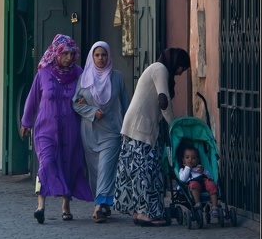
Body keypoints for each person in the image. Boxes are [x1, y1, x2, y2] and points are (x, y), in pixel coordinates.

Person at [20, 34, 93, 224]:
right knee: (47, 162)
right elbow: (32, 99)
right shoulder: (43, 73)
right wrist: (26, 122)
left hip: (70, 130)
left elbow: (88, 95)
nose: (68, 57)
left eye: (71, 53)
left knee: (67, 164)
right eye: (65, 53)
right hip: (45, 129)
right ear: (56, 53)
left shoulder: (78, 73)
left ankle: (66, 206)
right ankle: (40, 205)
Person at [114, 47, 191, 226]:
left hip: (136, 127)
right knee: (145, 173)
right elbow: (163, 101)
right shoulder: (160, 69)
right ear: (176, 63)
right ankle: (146, 214)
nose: (180, 73)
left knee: (136, 172)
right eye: (181, 68)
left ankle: (138, 211)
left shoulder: (156, 69)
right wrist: (174, 125)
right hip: (141, 128)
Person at [73, 41, 130, 223]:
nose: (100, 59)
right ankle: (105, 203)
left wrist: (128, 129)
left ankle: (98, 207)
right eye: (97, 55)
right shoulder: (84, 79)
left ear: (109, 56)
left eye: (104, 55)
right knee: (96, 171)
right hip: (90, 132)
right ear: (92, 56)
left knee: (106, 168)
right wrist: (91, 111)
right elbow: (76, 103)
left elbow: (126, 104)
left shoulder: (117, 78)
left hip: (112, 131)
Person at [179, 146, 219, 218]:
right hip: (194, 184)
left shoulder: (200, 167)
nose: (190, 160)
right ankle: (198, 203)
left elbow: (211, 177)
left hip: (204, 181)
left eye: (193, 158)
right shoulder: (183, 170)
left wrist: (204, 171)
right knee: (193, 185)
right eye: (187, 158)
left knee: (212, 185)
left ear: (198, 160)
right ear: (183, 160)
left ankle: (214, 207)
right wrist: (187, 168)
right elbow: (183, 179)